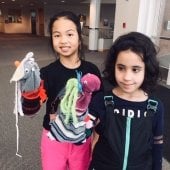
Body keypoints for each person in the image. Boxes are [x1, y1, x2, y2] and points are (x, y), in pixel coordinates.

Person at [17, 11, 102, 170]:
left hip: (82, 138)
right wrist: (30, 91)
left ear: (79, 37)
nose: (63, 40)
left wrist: (95, 127)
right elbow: (31, 110)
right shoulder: (46, 73)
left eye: (69, 34)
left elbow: (99, 101)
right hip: (54, 138)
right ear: (52, 39)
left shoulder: (92, 70)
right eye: (57, 35)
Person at [89, 32, 164, 170]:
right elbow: (81, 131)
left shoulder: (155, 107)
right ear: (113, 66)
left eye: (135, 69)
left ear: (147, 69)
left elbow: (157, 143)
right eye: (121, 68)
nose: (127, 77)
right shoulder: (102, 101)